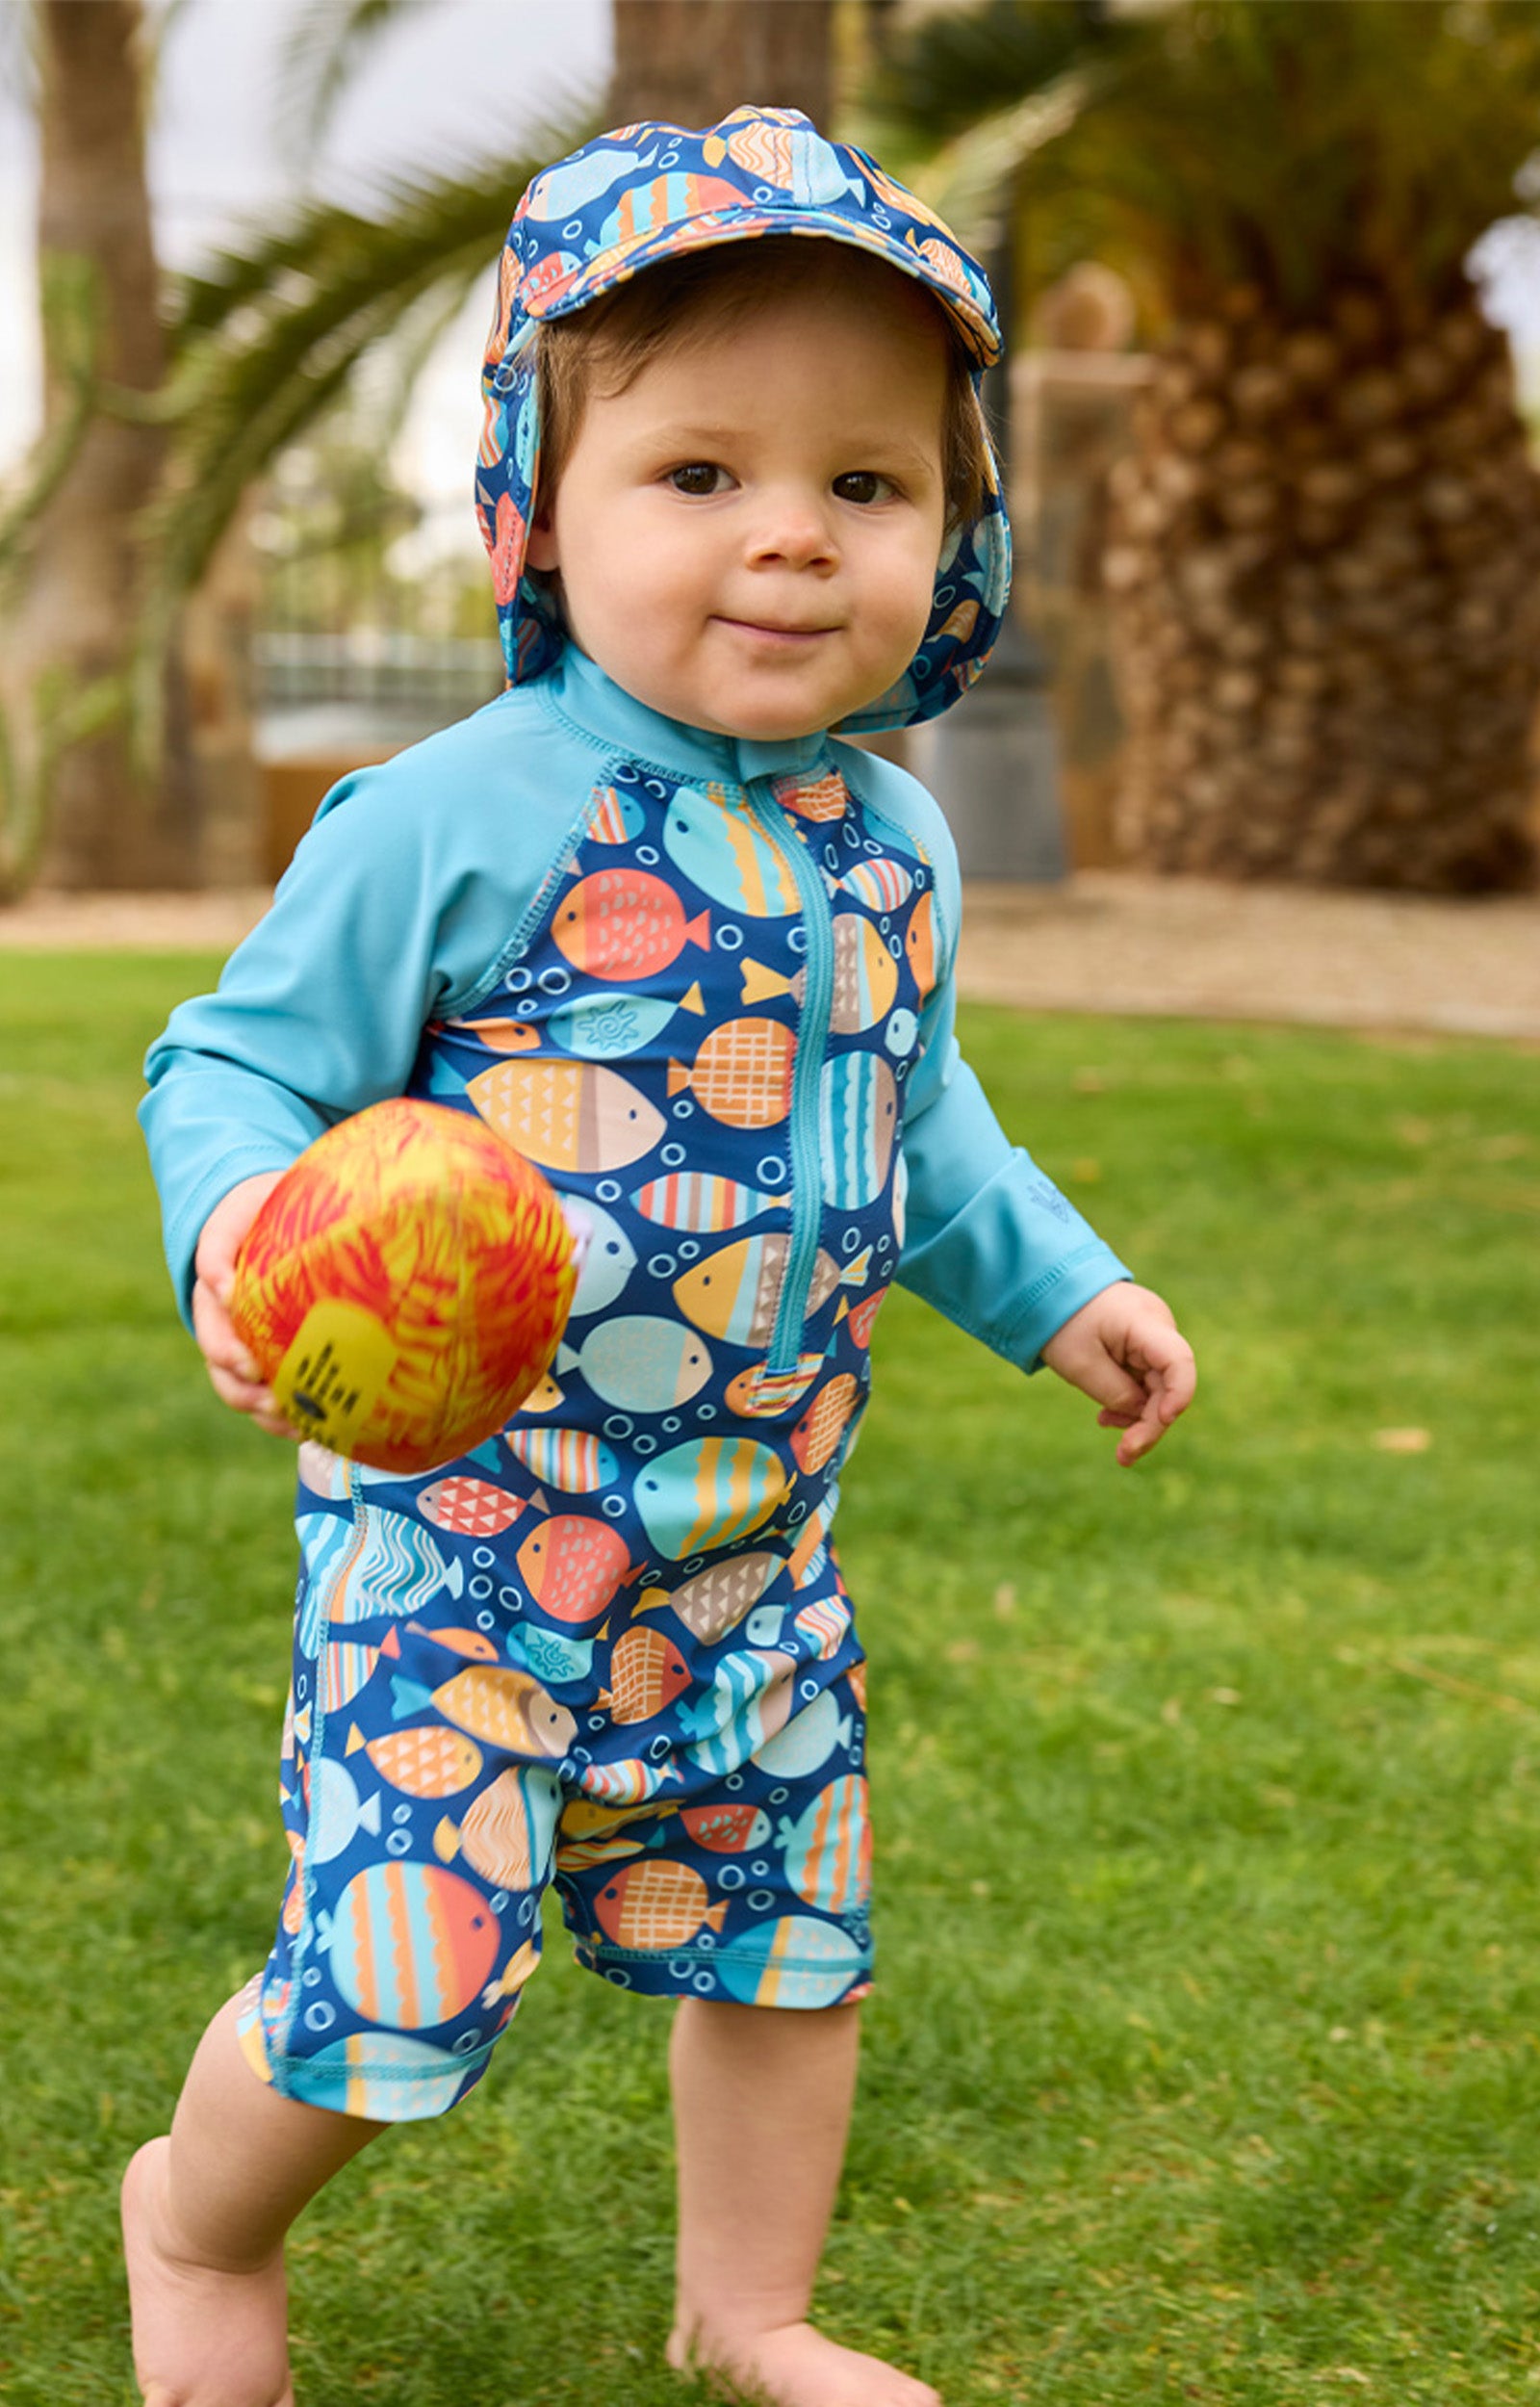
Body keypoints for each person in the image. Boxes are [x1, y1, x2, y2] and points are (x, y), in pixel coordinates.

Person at [126, 106, 1195, 2407]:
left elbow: (906, 1121)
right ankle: (196, 2223)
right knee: (391, 1986)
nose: (790, 535)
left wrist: (1065, 1286)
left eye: (868, 484)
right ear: (537, 506)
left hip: (751, 1560)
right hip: (466, 1558)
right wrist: (235, 1226)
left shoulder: (892, 838)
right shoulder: (455, 813)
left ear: (953, 527)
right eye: (697, 475)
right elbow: (225, 1065)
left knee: (787, 1952)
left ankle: (750, 2310)